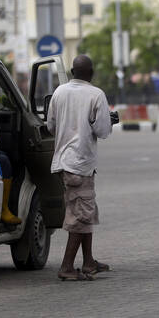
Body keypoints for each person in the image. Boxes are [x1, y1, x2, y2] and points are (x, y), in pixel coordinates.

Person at [47, 55, 118, 281]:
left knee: (85, 212)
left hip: (63, 162)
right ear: (92, 73)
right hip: (80, 163)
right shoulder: (96, 94)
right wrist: (110, 119)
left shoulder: (59, 92)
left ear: (71, 71)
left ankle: (88, 262)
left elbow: (50, 126)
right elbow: (103, 131)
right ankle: (67, 267)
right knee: (81, 216)